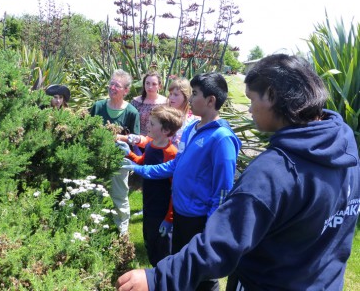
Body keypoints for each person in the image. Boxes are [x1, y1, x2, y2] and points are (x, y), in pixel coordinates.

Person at [116, 54, 360, 291]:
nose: (250, 110)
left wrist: (159, 278)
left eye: (252, 100)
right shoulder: (344, 149)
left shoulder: (273, 172)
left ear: (272, 96)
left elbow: (224, 241)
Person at [121, 72, 242, 290]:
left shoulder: (222, 138)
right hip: (181, 214)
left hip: (199, 219)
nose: (189, 97)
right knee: (182, 267)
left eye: (194, 93)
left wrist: (211, 228)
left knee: (203, 274)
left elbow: (223, 190)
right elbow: (174, 165)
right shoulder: (190, 130)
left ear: (210, 100)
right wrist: (140, 168)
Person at [117, 105, 183, 267]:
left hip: (162, 210)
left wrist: (169, 219)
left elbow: (176, 190)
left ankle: (164, 280)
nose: (148, 126)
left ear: (166, 130)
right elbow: (143, 162)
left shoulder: (171, 153)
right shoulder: (151, 145)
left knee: (163, 252)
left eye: (152, 124)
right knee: (150, 242)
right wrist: (130, 154)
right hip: (149, 203)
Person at [89, 69, 140, 235]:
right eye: (111, 83)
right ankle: (92, 227)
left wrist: (117, 137)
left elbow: (135, 138)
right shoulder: (98, 107)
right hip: (97, 157)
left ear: (126, 90)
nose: (112, 87)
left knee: (119, 196)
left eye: (117, 86)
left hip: (119, 160)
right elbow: (86, 130)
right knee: (94, 192)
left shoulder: (131, 112)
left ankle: (122, 232)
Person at [118, 77, 198, 149]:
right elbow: (151, 140)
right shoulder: (164, 116)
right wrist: (128, 138)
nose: (171, 98)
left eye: (176, 95)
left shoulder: (193, 120)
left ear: (186, 96)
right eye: (170, 94)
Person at [131, 71, 168, 137]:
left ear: (159, 86)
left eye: (154, 84)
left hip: (158, 140)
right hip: (138, 140)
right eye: (147, 83)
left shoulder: (166, 103)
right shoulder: (135, 102)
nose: (150, 87)